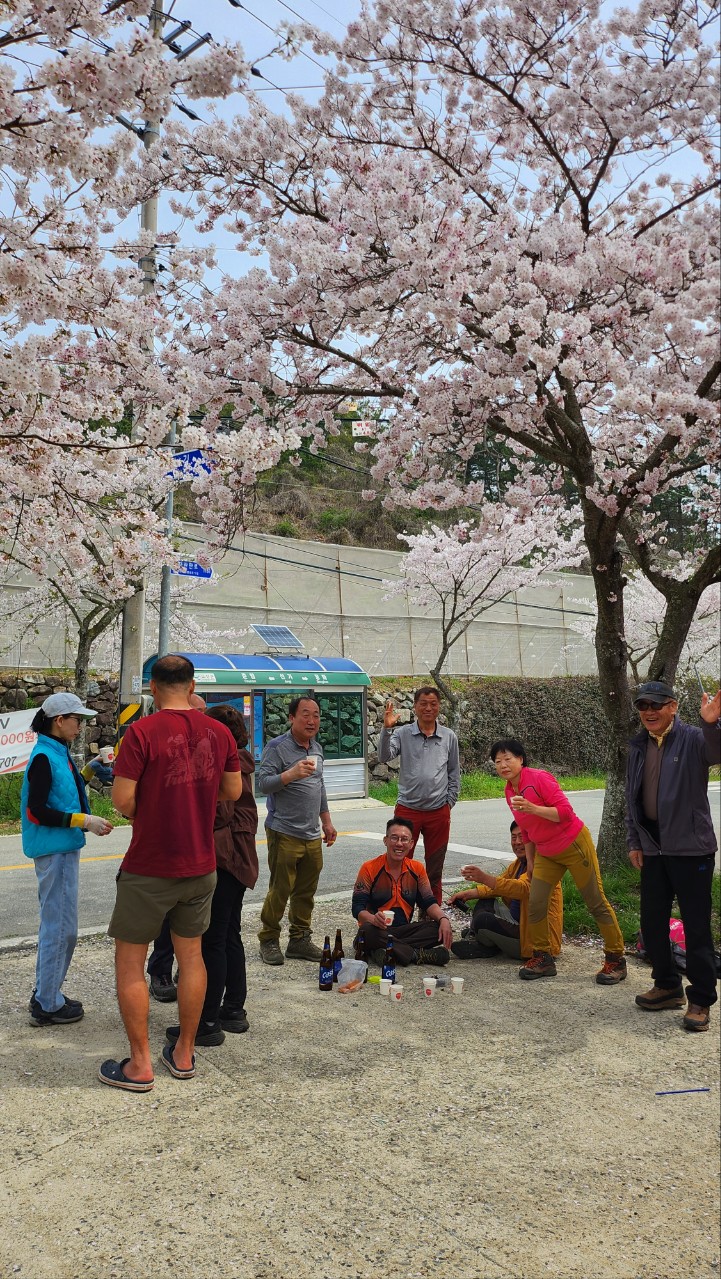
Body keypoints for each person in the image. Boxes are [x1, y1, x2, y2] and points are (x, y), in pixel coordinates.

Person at [101, 656, 241, 1092]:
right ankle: (183, 1054)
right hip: (200, 865)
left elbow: (123, 800)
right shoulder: (219, 733)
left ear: (153, 687)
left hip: (149, 865)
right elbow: (233, 790)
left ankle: (140, 1065)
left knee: (130, 963)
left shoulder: (141, 732)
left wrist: (155, 806)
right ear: (192, 685)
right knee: (192, 956)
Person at [491, 737, 626, 984]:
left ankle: (616, 959)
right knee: (536, 902)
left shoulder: (539, 778)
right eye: (498, 761)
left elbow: (564, 813)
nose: (503, 765)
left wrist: (533, 808)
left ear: (520, 759)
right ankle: (542, 958)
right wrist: (530, 860)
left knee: (595, 902)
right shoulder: (509, 790)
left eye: (507, 759)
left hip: (574, 844)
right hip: (545, 852)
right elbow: (525, 828)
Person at [626, 680, 721, 1033]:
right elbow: (632, 799)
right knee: (652, 922)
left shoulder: (693, 738)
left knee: (696, 927)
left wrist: (711, 723)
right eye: (643, 706)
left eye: (656, 704)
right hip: (653, 848)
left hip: (691, 849)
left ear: (673, 707)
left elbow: (716, 752)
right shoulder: (638, 746)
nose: (649, 712)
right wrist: (634, 841)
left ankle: (701, 998)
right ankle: (667, 985)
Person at [165, 704, 258, 1047]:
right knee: (228, 935)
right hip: (239, 860)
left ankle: (206, 1022)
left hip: (225, 860)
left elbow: (219, 814)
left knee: (212, 941)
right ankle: (232, 1009)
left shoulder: (224, 764)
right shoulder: (241, 761)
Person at [21, 693, 113, 1026]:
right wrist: (84, 820)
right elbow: (37, 810)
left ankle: (46, 994)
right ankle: (47, 1003)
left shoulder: (54, 751)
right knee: (61, 929)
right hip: (55, 850)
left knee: (58, 926)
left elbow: (64, 791)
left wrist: (89, 769)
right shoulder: (45, 756)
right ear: (59, 721)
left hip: (59, 848)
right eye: (77, 720)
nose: (80, 727)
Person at [256, 695, 337, 965]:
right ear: (292, 718)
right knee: (280, 889)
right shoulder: (277, 747)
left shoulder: (317, 748)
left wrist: (327, 822)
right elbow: (263, 784)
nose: (312, 720)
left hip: (312, 833)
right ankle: (269, 939)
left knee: (306, 891)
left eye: (316, 715)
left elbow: (319, 786)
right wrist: (290, 774)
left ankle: (299, 939)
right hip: (284, 830)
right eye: (305, 714)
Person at [146, 691, 207, 1002]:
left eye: (203, 713)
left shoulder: (208, 750)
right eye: (196, 712)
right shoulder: (166, 748)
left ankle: (186, 973)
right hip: (165, 850)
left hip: (200, 852)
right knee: (165, 917)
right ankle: (159, 971)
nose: (199, 719)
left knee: (192, 923)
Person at [378, 687, 460, 904]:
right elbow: (384, 756)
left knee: (435, 865)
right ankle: (399, 909)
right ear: (415, 706)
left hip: (438, 811)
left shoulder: (448, 736)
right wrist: (386, 729)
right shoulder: (403, 733)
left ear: (439, 706)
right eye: (423, 703)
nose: (428, 708)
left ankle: (431, 912)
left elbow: (454, 772)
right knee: (399, 862)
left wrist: (449, 803)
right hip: (407, 809)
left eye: (433, 703)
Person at [448, 821, 563, 962]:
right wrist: (468, 894)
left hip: (533, 942)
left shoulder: (543, 865)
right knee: (485, 902)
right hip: (517, 923)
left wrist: (484, 878)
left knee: (484, 920)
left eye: (522, 837)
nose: (518, 842)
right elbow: (499, 885)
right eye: (514, 837)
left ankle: (485, 943)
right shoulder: (518, 864)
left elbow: (522, 888)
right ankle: (480, 937)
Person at [352, 817, 453, 966]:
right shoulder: (369, 868)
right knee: (366, 931)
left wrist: (444, 919)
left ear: (411, 844)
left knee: (438, 928)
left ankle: (383, 950)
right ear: (385, 840)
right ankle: (416, 954)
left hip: (404, 930)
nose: (399, 843)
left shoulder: (417, 868)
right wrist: (373, 919)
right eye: (394, 838)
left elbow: (428, 902)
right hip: (377, 929)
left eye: (404, 839)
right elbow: (357, 908)